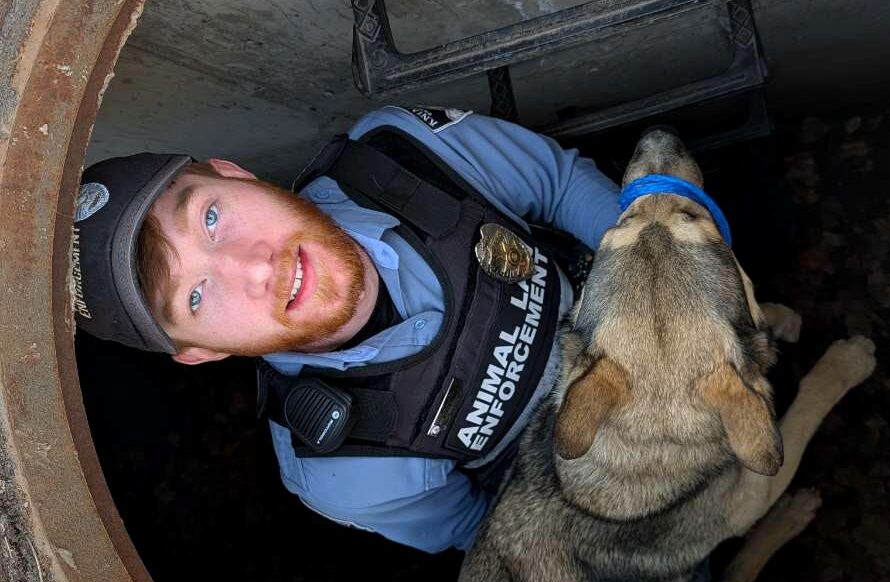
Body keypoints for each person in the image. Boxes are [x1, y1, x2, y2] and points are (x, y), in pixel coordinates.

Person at [72, 105, 621, 554]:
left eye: (210, 217)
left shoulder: (401, 152)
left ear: (232, 172)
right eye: (196, 296)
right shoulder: (343, 472)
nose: (256, 267)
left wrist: (662, 276)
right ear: (200, 353)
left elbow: (559, 184)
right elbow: (495, 541)